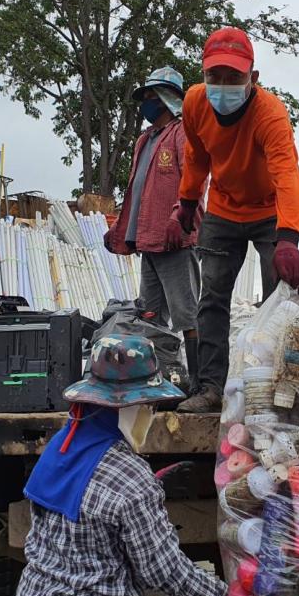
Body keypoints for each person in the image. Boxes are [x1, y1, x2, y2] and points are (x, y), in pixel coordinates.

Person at [6, 334, 261, 596]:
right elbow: (162, 569)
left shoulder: (59, 449)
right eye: (149, 406)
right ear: (129, 407)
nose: (151, 415)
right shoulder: (130, 475)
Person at [174, 26, 299, 414]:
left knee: (278, 303)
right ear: (202, 75)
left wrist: (288, 238)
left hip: (268, 212)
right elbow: (197, 156)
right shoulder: (194, 104)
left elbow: (287, 173)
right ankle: (210, 388)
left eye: (234, 77)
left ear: (254, 79)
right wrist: (187, 200)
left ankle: (275, 391)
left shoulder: (271, 115)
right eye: (214, 76)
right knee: (211, 298)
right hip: (223, 209)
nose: (222, 85)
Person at [104, 66, 201, 382]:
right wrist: (121, 230)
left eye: (151, 95)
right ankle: (162, 375)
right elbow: (136, 193)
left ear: (167, 98)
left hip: (175, 239)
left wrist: (180, 219)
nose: (146, 102)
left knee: (187, 315)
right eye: (144, 96)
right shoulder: (144, 141)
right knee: (150, 314)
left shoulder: (182, 132)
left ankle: (201, 382)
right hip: (148, 241)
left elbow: (195, 180)